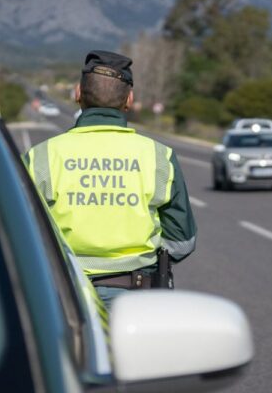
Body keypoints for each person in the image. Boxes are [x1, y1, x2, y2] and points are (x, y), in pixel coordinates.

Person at [24, 50, 197, 309]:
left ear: (78, 94)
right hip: (137, 299)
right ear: (129, 99)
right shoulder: (159, 156)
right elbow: (182, 241)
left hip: (63, 298)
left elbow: (20, 232)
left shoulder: (40, 157)